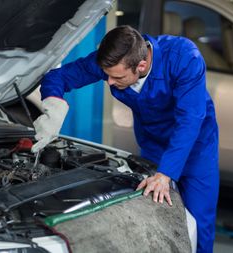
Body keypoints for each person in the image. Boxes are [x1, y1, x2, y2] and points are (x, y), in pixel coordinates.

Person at [31, 25, 219, 253]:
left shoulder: (183, 57)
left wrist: (166, 173)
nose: (109, 82)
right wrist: (53, 107)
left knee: (199, 225)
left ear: (141, 66)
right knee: (156, 221)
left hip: (197, 148)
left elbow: (190, 120)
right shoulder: (113, 63)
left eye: (116, 77)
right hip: (152, 147)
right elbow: (58, 77)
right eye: (107, 75)